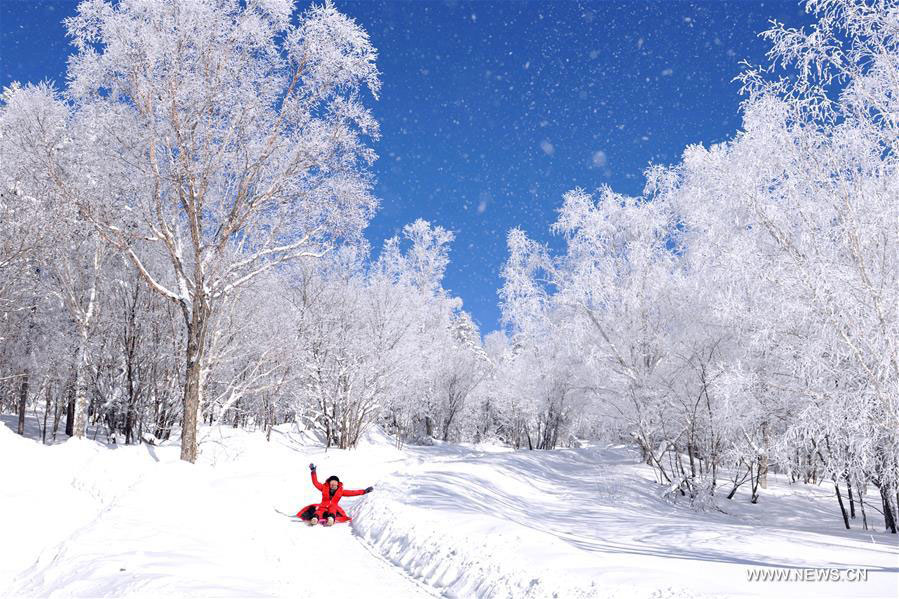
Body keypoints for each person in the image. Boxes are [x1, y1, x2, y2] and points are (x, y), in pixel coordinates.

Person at [297, 463, 374, 526]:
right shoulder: (324, 488)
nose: (333, 484)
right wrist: (313, 472)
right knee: (319, 511)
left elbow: (353, 492)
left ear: (338, 484)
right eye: (331, 483)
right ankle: (315, 519)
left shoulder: (341, 491)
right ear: (329, 483)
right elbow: (315, 483)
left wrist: (364, 491)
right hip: (323, 505)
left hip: (333, 506)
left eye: (335, 483)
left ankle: (331, 519)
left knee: (333, 510)